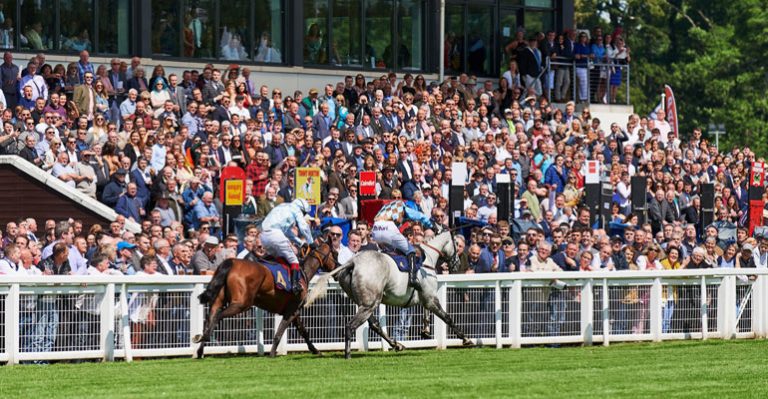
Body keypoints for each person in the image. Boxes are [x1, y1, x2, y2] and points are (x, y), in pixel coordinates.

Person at [371, 199, 433, 290]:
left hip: (375, 229)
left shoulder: (386, 206)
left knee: (391, 250)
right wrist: (431, 225)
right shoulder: (402, 206)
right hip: (388, 228)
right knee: (411, 250)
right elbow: (419, 216)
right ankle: (412, 279)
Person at [259, 198, 314, 294]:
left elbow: (287, 232)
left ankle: (277, 281)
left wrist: (300, 243)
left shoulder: (284, 206)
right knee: (294, 260)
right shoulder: (297, 210)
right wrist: (310, 242)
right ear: (302, 209)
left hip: (263, 235)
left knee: (278, 259)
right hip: (275, 234)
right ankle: (295, 285)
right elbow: (304, 227)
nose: (304, 215)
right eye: (304, 213)